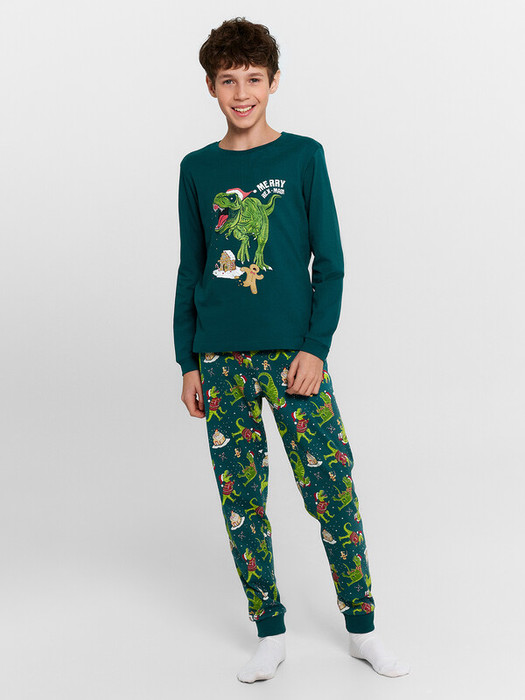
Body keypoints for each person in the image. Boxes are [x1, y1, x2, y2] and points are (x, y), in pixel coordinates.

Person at [173, 16, 410, 683]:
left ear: (273, 82)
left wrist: (315, 348)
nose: (241, 93)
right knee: (242, 501)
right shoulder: (197, 169)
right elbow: (191, 268)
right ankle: (269, 631)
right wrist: (187, 361)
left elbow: (328, 264)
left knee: (332, 489)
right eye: (228, 80)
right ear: (211, 87)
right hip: (220, 361)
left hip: (292, 360)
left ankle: (361, 628)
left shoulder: (303, 157)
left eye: (253, 79)